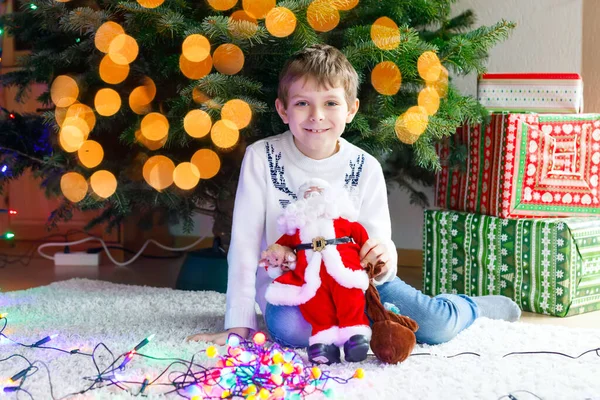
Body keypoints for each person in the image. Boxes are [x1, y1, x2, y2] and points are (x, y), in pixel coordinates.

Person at [186, 44, 521, 349]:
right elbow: (244, 247)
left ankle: (470, 307)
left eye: (330, 103)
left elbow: (379, 245)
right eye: (302, 103)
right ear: (283, 110)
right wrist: (238, 324)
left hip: (356, 282)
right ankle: (363, 322)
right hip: (295, 286)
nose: (316, 115)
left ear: (351, 109)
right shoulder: (262, 157)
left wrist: (384, 254)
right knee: (292, 332)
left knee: (434, 325)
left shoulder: (365, 167)